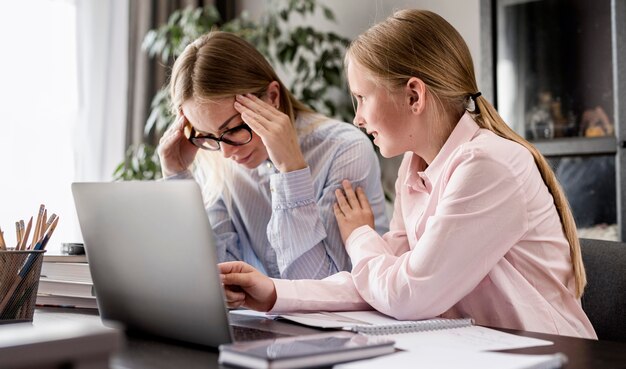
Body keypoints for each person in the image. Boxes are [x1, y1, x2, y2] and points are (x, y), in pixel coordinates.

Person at [219, 10, 597, 339]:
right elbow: (380, 282)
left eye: (362, 98)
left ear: (414, 95)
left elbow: (408, 294)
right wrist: (273, 292)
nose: (357, 118)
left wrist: (360, 236)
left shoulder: (488, 165)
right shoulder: (413, 168)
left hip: (551, 353)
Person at [158, 31, 388, 280]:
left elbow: (320, 285)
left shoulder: (344, 150)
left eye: (234, 129)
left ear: (273, 97)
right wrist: (176, 174)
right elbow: (210, 281)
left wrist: (291, 171)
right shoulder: (217, 162)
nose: (226, 152)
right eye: (208, 136)